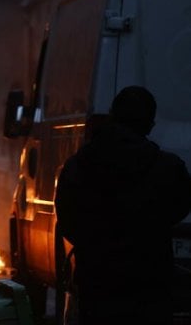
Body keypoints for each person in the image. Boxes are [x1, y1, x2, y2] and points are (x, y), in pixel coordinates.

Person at [55, 86, 191, 325]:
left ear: (112, 116)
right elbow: (180, 208)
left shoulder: (78, 166)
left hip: (96, 282)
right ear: (149, 124)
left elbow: (67, 221)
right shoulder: (169, 169)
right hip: (150, 283)